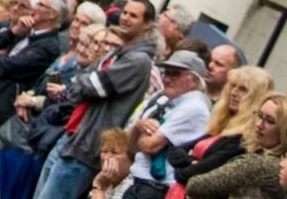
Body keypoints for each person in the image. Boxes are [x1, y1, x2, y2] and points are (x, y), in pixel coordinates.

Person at [34, 0, 161, 199]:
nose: (125, 18)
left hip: (88, 148)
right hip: (73, 138)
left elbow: (92, 85)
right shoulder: (120, 53)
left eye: (134, 15)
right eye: (125, 12)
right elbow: (84, 77)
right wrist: (81, 82)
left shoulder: (138, 60)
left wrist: (78, 84)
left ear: (146, 24)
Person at [121, 50, 228, 197]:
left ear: (193, 80)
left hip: (153, 189)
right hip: (142, 185)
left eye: (174, 74)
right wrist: (139, 127)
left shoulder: (193, 107)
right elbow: (132, 149)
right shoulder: (173, 103)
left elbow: (150, 146)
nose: (166, 79)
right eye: (165, 73)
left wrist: (139, 132)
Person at [162, 65, 275, 195]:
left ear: (256, 97)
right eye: (233, 86)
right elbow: (175, 151)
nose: (233, 92)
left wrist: (186, 164)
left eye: (243, 89)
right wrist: (191, 161)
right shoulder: (222, 126)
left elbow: (187, 175)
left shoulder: (244, 139)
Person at [0, 0, 72, 125]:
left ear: (52, 14)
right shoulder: (26, 29)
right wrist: (14, 31)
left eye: (40, 5)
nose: (34, 7)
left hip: (0, 110)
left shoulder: (49, 46)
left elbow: (8, 67)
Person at [177, 90, 287, 197]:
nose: (259, 124)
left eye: (269, 121)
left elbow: (194, 185)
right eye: (259, 115)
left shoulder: (258, 164)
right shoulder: (271, 162)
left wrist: (188, 164)